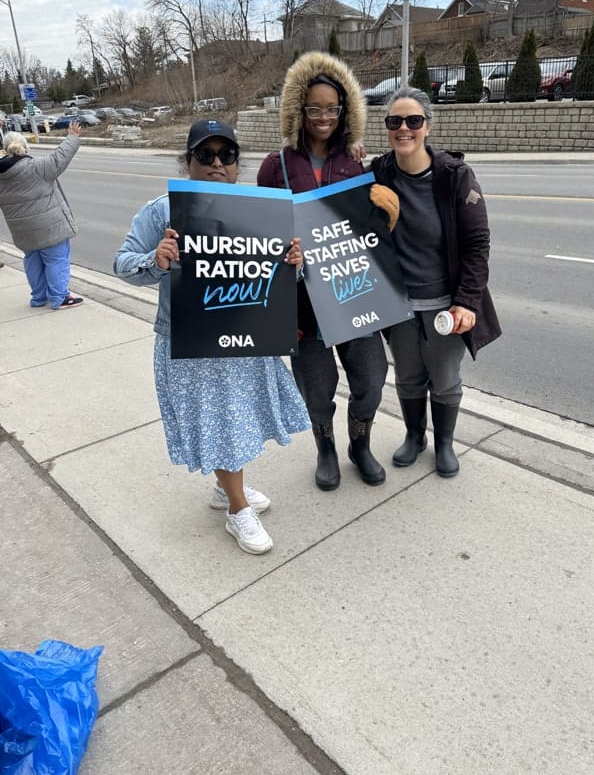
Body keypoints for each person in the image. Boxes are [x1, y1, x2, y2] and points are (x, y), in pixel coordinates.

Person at [113, 119, 311, 555]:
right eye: (205, 155)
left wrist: (293, 263)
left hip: (245, 335)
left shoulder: (260, 209)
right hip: (192, 339)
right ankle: (237, 508)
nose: (217, 163)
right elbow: (122, 263)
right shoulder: (162, 211)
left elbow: (274, 275)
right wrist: (156, 260)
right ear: (188, 161)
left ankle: (226, 489)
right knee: (221, 424)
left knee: (238, 420)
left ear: (238, 163)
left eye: (227, 155)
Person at [257, 51, 393, 492]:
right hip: (304, 305)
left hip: (355, 293)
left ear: (344, 111)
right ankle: (326, 449)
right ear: (298, 109)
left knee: (371, 380)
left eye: (331, 109)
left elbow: (369, 226)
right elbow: (263, 235)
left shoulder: (356, 161)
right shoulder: (274, 167)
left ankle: (360, 444)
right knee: (317, 391)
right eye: (313, 108)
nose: (322, 117)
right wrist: (282, 252)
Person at [369, 86, 501, 477]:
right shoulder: (377, 173)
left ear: (427, 126)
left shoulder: (453, 176)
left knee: (444, 379)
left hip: (444, 303)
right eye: (395, 121)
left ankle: (444, 443)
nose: (404, 128)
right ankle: (415, 436)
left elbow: (478, 244)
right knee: (408, 376)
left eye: (413, 121)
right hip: (397, 303)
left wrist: (467, 301)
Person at [0, 122, 83, 309]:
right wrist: (72, 137)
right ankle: (59, 297)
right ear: (25, 147)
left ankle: (38, 297)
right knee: (56, 259)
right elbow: (60, 157)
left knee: (33, 261)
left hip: (22, 231)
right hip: (49, 227)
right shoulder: (37, 167)